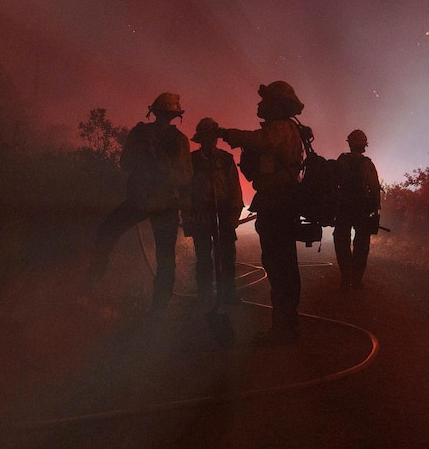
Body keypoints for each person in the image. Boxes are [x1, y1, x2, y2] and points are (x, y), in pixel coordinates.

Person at [85, 93, 192, 310]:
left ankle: (92, 284)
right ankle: (159, 308)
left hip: (147, 201)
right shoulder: (172, 139)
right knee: (164, 256)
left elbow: (127, 164)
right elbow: (184, 176)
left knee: (109, 232)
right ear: (174, 114)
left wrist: (160, 172)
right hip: (154, 201)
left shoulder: (149, 134)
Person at [219, 81, 307, 346]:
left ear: (276, 104)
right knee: (284, 264)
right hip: (282, 201)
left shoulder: (280, 128)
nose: (261, 105)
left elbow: (261, 141)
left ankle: (282, 328)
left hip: (277, 201)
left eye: (266, 100)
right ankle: (287, 324)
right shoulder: (290, 128)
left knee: (278, 265)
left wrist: (226, 132)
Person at [185, 117, 244, 306]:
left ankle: (228, 294)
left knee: (227, 256)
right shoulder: (191, 160)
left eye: (212, 137)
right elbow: (185, 188)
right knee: (203, 257)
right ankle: (205, 295)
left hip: (224, 212)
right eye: (206, 137)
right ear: (200, 139)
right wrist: (187, 214)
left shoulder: (226, 160)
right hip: (200, 213)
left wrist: (234, 214)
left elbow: (234, 188)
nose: (210, 140)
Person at [332, 129, 383, 289]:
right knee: (362, 244)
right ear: (364, 146)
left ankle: (346, 277)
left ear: (350, 144)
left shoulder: (341, 160)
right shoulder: (368, 164)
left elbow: (333, 184)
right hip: (362, 209)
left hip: (343, 208)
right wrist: (375, 209)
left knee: (341, 242)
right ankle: (357, 279)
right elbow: (375, 189)